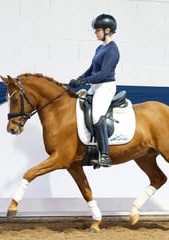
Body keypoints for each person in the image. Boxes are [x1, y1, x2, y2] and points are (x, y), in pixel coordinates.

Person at [69, 14, 120, 168]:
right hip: (95, 86)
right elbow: (92, 69)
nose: (95, 33)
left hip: (105, 86)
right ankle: (90, 148)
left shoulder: (113, 50)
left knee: (97, 116)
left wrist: (84, 81)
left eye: (98, 30)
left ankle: (104, 155)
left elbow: (103, 74)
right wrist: (79, 78)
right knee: (79, 107)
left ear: (107, 30)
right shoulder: (100, 47)